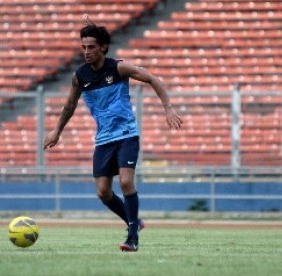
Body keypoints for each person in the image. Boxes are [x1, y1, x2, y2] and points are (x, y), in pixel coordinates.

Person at [43, 19, 182, 252]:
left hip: (127, 134)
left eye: (91, 47)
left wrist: (168, 107)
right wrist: (57, 130)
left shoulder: (118, 68)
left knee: (126, 182)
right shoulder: (80, 76)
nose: (86, 52)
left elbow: (152, 78)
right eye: (83, 47)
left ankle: (132, 237)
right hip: (104, 139)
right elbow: (69, 105)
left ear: (103, 47)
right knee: (103, 192)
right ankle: (134, 221)